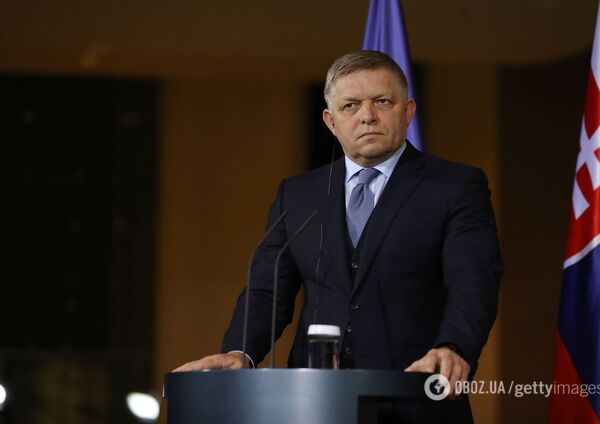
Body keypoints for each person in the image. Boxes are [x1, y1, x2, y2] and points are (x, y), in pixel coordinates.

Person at [174, 50, 502, 423]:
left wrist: (454, 346)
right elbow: (267, 290)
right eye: (350, 105)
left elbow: (474, 279)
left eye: (382, 101)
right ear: (331, 121)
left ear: (408, 111)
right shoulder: (298, 194)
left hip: (417, 394)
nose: (368, 115)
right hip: (314, 403)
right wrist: (240, 352)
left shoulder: (454, 186)